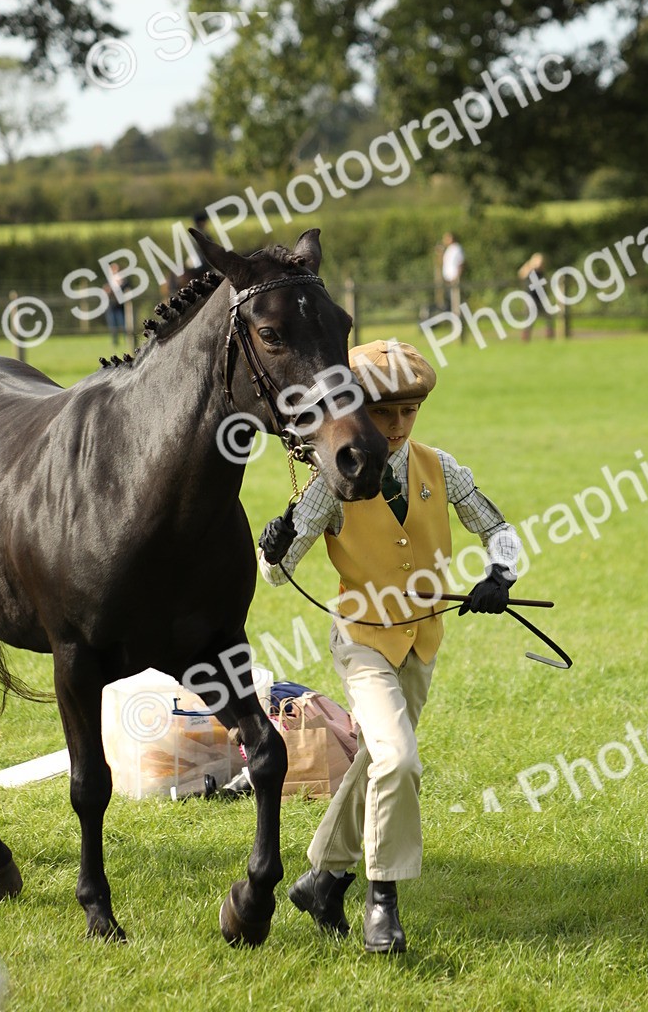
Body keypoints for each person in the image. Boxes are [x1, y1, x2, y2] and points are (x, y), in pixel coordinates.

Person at [258, 340, 521, 954]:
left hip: (422, 641)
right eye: (384, 414)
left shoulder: (441, 467)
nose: (399, 428)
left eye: (410, 412)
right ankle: (383, 901)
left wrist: (499, 578)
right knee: (399, 760)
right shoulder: (335, 477)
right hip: (361, 640)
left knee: (376, 762)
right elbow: (277, 571)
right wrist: (272, 546)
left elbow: (499, 529)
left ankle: (322, 880)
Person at [517, 252, 555, 341]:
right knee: (529, 318)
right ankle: (525, 337)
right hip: (530, 297)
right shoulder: (529, 270)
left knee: (548, 315)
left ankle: (549, 334)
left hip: (541, 297)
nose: (540, 264)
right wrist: (530, 266)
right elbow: (521, 274)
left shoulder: (541, 272)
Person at [103, 261, 128, 346]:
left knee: (124, 324)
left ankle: (127, 340)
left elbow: (127, 288)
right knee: (113, 325)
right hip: (111, 306)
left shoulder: (123, 280)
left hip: (120, 307)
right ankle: (115, 342)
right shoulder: (109, 280)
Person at [440, 231, 465, 311]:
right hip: (448, 278)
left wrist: (457, 276)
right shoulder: (448, 249)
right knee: (449, 298)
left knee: (456, 299)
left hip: (454, 278)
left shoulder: (457, 248)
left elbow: (460, 262)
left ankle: (457, 317)